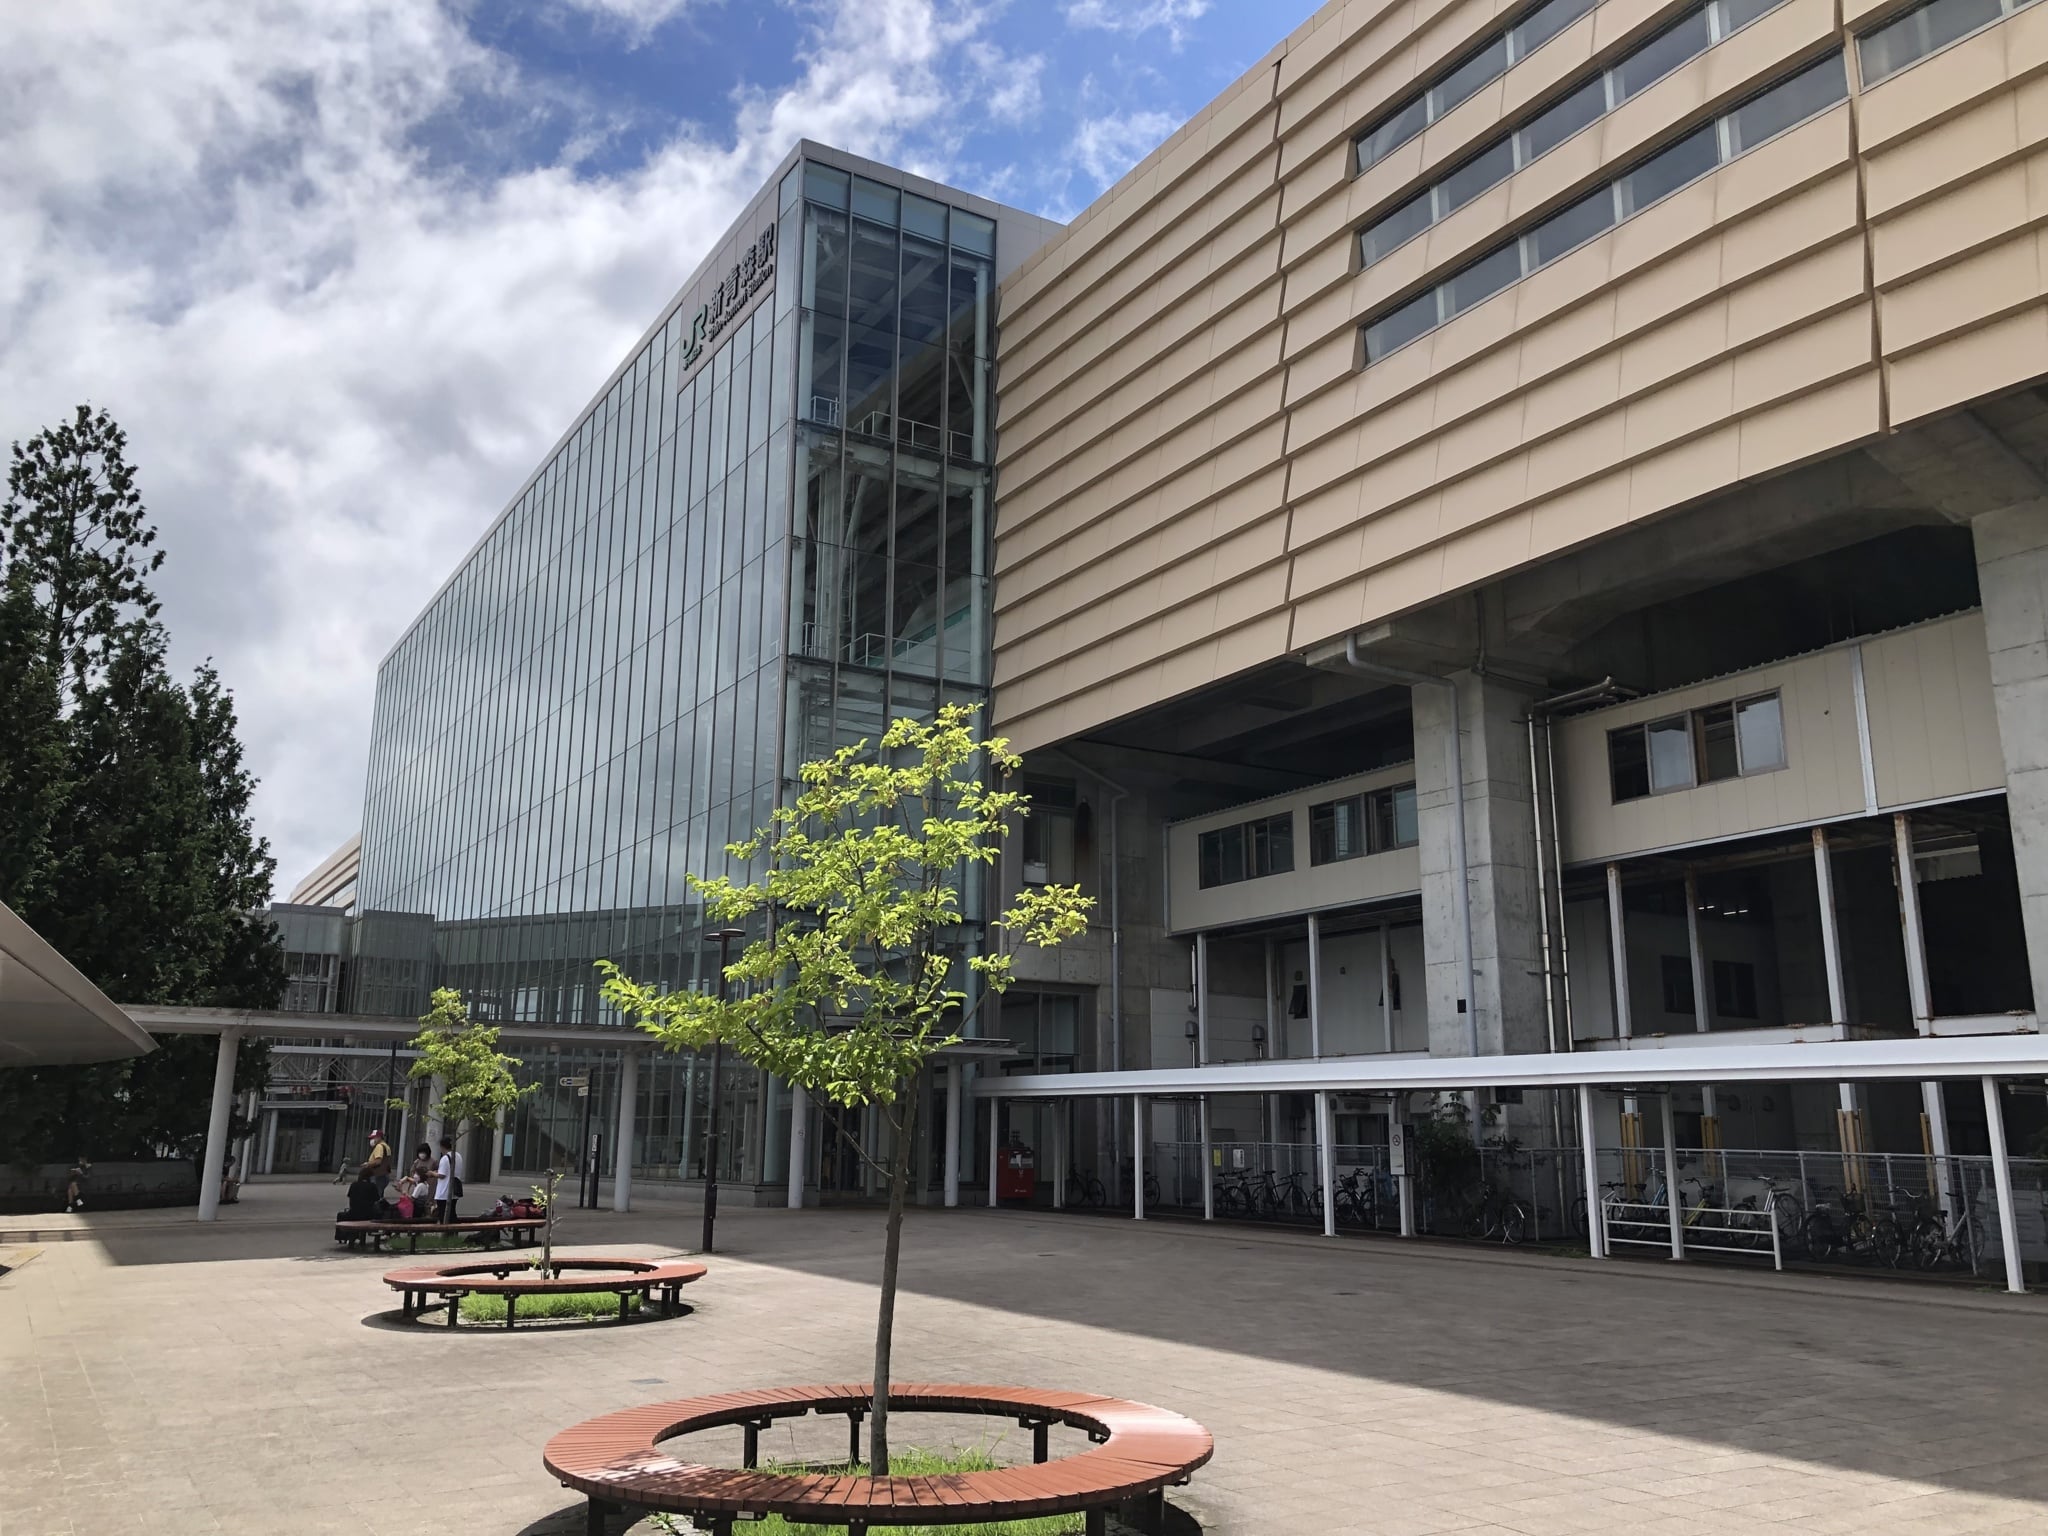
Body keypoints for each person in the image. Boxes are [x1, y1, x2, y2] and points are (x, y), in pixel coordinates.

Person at [434, 1135, 464, 1223]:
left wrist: (432, 1173)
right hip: (454, 1191)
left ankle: (446, 1229)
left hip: (444, 1192)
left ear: (442, 1146)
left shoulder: (445, 1158)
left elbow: (442, 1175)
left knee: (444, 1215)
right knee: (452, 1214)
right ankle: (453, 1229)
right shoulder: (458, 1156)